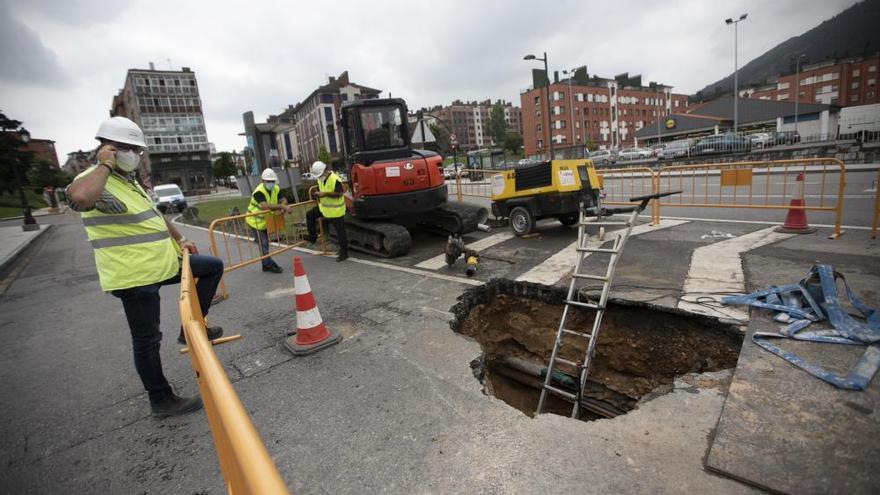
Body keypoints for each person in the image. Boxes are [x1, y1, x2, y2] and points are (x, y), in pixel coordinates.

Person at [67, 116, 225, 418]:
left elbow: (155, 216)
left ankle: (190, 329)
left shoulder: (129, 182)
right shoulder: (95, 179)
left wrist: (181, 240)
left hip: (162, 262)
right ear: (108, 148)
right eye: (130, 149)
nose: (137, 156)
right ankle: (161, 398)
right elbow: (79, 198)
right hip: (134, 276)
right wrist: (105, 166)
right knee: (147, 339)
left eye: (139, 151)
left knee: (212, 266)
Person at [245, 168, 292, 273]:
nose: (271, 183)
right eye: (268, 181)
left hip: (265, 221)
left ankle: (265, 265)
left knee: (264, 244)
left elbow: (283, 199)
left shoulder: (276, 188)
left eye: (272, 181)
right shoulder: (258, 191)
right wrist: (282, 207)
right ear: (263, 181)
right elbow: (265, 206)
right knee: (264, 243)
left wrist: (283, 205)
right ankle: (269, 264)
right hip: (254, 221)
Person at [305, 160, 348, 262]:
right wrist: (317, 195)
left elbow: (339, 194)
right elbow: (321, 191)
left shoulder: (335, 179)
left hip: (336, 210)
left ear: (325, 170)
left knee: (340, 232)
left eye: (320, 174)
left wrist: (324, 194)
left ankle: (344, 253)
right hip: (324, 208)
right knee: (310, 215)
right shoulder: (320, 179)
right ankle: (313, 237)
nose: (319, 177)